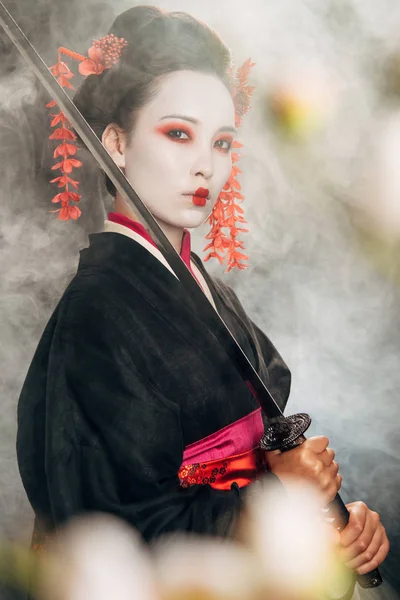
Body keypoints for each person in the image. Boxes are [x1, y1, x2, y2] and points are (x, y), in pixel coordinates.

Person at [16, 4, 388, 586]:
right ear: (114, 141)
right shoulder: (97, 315)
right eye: (179, 134)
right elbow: (113, 539)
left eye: (221, 143)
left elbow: (266, 452)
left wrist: (331, 522)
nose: (205, 167)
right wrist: (280, 499)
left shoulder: (202, 288)